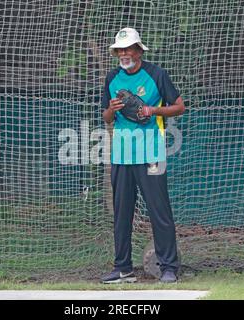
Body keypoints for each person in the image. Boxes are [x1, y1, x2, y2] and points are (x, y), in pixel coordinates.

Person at [101, 27, 185, 283]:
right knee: (122, 213)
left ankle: (169, 267)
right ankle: (123, 268)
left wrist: (152, 111)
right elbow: (106, 118)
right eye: (120, 50)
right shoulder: (112, 77)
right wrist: (111, 109)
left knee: (159, 211)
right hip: (122, 155)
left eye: (128, 48)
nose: (124, 53)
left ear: (139, 50)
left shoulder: (156, 74)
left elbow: (179, 106)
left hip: (151, 153)